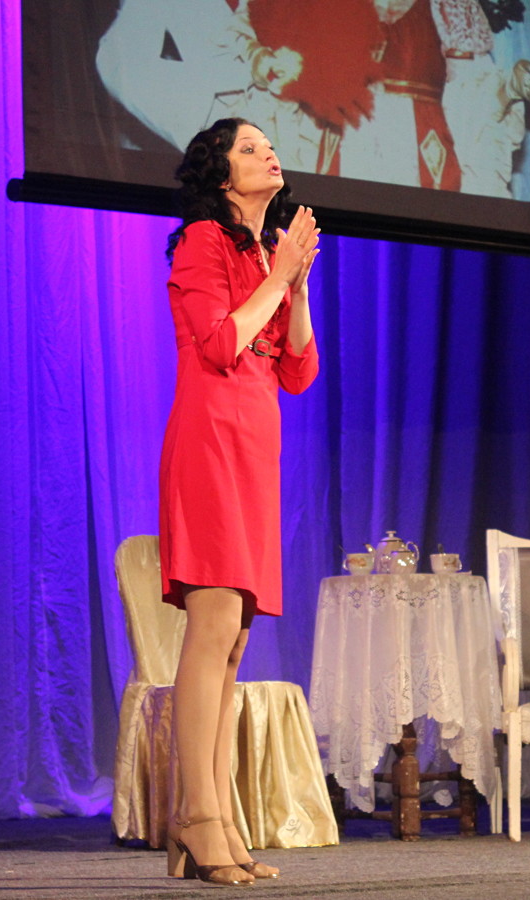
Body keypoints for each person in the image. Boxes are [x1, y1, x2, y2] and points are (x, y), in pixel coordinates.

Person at [158, 117, 320, 886]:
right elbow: (222, 344)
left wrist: (297, 285)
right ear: (222, 173)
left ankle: (216, 817)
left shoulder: (262, 257)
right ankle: (197, 816)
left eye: (270, 145)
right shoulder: (202, 242)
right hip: (210, 441)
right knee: (213, 626)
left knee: (234, 646)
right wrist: (277, 279)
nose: (268, 153)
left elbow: (297, 371)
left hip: (256, 449)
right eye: (249, 147)